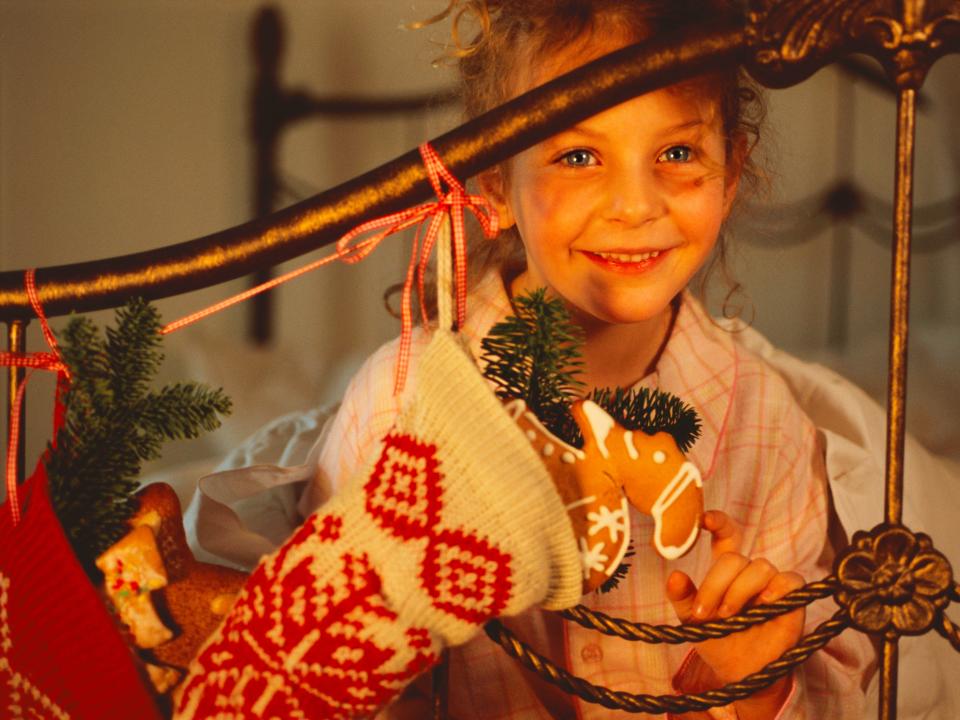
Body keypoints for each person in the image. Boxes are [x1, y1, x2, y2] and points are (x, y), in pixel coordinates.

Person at [175, 2, 874, 718]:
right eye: (577, 156)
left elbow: (834, 694)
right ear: (496, 186)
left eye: (677, 153)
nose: (635, 205)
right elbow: (339, 679)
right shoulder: (404, 404)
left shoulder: (769, 427)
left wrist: (759, 683)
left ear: (731, 175)